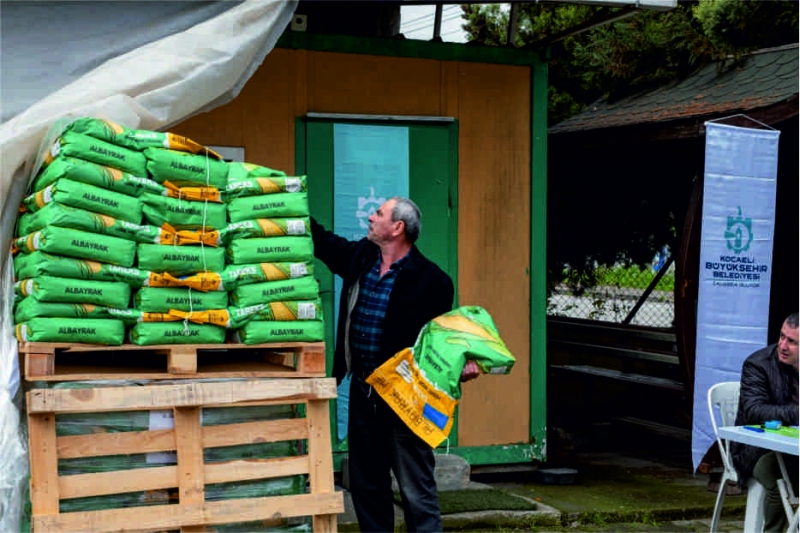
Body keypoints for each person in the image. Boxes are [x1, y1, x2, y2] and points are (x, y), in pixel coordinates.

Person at [311, 196, 479, 533]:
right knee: (367, 486)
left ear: (397, 228)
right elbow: (324, 242)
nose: (371, 218)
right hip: (364, 393)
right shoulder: (361, 257)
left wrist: (465, 361)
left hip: (406, 400)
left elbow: (444, 338)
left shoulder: (433, 281)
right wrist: (292, 206)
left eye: (379, 213)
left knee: (416, 490)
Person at [731, 312, 799, 533]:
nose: (783, 345)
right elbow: (754, 411)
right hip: (757, 449)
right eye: (781, 337)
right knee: (785, 473)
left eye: (792, 341)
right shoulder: (758, 364)